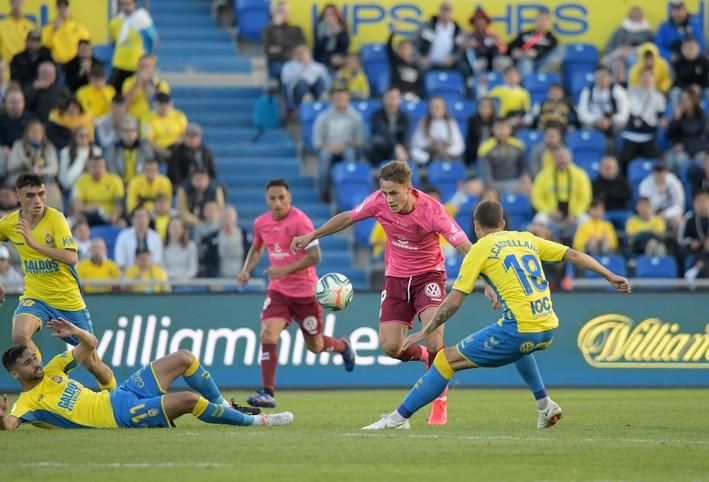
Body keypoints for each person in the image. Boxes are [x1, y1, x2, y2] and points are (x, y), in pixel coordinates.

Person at [361, 200, 630, 430]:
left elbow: (454, 301)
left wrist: (427, 329)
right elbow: (572, 253)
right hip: (548, 327)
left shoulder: (480, 248)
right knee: (521, 349)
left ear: (476, 226)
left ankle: (396, 419)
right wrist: (610, 275)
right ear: (502, 223)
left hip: (519, 329)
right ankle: (544, 404)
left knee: (444, 361)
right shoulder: (527, 238)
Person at [291, 161, 499, 425]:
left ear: (409, 189)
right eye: (385, 192)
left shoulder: (433, 211)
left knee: (435, 341)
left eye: (394, 193)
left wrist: (487, 281)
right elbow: (348, 217)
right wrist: (312, 235)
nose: (388, 199)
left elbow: (465, 246)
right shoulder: (377, 201)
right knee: (391, 347)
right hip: (396, 280)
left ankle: (440, 400)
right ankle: (428, 360)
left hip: (429, 278)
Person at [0, 319, 294, 430]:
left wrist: (76, 333)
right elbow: (11, 425)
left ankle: (225, 406)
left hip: (121, 394)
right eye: (28, 364)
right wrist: (1, 418)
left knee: (184, 357)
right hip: (121, 416)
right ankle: (258, 420)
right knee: (189, 400)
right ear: (15, 375)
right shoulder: (27, 404)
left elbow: (91, 346)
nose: (35, 364)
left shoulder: (52, 368)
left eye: (33, 357)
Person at [238, 179, 356, 408]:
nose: (277, 202)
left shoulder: (300, 221)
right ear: (267, 199)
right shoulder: (260, 223)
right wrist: (246, 270)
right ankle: (267, 392)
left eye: (282, 198)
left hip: (305, 294)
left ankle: (344, 346)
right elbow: (257, 248)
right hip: (279, 292)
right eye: (272, 198)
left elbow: (315, 257)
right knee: (267, 334)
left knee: (315, 346)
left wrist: (282, 270)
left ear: (289, 198)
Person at [0, 173, 116, 391]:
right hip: (36, 296)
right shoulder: (10, 223)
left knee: (92, 363)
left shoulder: (56, 218)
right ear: (18, 196)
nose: (37, 200)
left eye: (41, 194)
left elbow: (72, 257)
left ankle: (115, 394)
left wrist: (34, 244)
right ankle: (42, 382)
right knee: (19, 334)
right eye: (30, 195)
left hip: (67, 300)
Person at [312, 88, 364, 199]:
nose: (341, 101)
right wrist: (330, 147)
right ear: (332, 100)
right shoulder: (323, 117)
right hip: (328, 148)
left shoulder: (356, 117)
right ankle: (324, 193)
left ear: (348, 99)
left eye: (344, 99)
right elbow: (317, 142)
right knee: (324, 156)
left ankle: (349, 191)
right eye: (338, 99)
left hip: (347, 148)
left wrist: (346, 145)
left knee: (349, 154)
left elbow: (360, 140)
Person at [531, 147, 592, 239]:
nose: (562, 160)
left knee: (587, 221)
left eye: (564, 157)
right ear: (554, 159)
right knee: (539, 220)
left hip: (573, 213)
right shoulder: (544, 175)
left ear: (570, 158)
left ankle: (582, 249)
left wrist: (575, 214)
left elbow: (585, 198)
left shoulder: (580, 174)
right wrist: (549, 211)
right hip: (551, 212)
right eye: (559, 157)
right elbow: (536, 197)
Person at [6, 120, 62, 209]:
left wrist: (41, 171)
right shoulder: (18, 145)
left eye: (39, 131)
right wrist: (23, 164)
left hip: (43, 181)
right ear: (27, 133)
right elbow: (10, 167)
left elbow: (54, 168)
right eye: (33, 131)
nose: (36, 134)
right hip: (21, 181)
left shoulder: (49, 147)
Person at [619, 69, 667, 168]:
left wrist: (662, 120)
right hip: (631, 134)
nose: (646, 80)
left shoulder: (658, 97)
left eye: (649, 77)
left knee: (655, 162)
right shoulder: (631, 91)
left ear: (654, 79)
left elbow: (661, 115)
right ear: (640, 79)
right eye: (644, 77)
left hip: (648, 135)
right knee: (624, 160)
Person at [109, 0, 158, 91]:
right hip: (119, 64)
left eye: (129, 3)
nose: (126, 7)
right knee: (113, 93)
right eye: (123, 4)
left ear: (134, 4)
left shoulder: (142, 20)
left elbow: (154, 39)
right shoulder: (114, 23)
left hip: (136, 65)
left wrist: (151, 59)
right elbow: (115, 42)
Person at [71, 149, 125, 226]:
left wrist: (114, 216)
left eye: (100, 167)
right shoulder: (81, 181)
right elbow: (77, 206)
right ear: (88, 168)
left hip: (109, 215)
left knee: (122, 224)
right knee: (75, 220)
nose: (97, 170)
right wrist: (92, 208)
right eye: (94, 167)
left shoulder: (115, 180)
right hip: (88, 215)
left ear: (106, 167)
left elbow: (119, 204)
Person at [416, 1, 468, 79]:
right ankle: (420, 91)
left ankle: (465, 90)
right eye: (443, 9)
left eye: (448, 10)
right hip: (430, 63)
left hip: (450, 63)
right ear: (439, 11)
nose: (445, 13)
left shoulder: (458, 30)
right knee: (420, 68)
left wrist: (452, 59)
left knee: (464, 68)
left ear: (452, 12)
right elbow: (411, 43)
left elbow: (460, 51)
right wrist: (420, 58)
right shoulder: (428, 26)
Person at [476, 118, 528, 195]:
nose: (501, 131)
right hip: (494, 183)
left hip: (514, 182)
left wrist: (524, 177)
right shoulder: (485, 147)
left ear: (510, 129)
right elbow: (485, 171)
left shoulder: (518, 145)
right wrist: (491, 186)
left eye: (504, 127)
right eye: (498, 128)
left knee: (528, 185)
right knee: (478, 187)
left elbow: (524, 166)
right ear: (493, 130)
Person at [577, 65, 629, 136]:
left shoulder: (618, 91)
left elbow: (624, 114)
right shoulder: (587, 91)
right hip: (593, 123)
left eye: (604, 76)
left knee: (622, 125)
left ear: (610, 77)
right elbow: (582, 113)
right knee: (585, 125)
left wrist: (610, 121)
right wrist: (596, 121)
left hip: (612, 124)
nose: (601, 79)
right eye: (598, 76)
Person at [410, 97, 464, 165]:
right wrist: (430, 143)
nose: (437, 110)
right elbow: (415, 143)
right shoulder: (423, 122)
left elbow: (459, 144)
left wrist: (448, 151)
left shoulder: (451, 122)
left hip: (447, 154)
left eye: (440, 107)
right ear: (429, 109)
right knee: (414, 152)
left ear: (444, 108)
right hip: (429, 154)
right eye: (434, 107)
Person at [602, 6, 654, 75]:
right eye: (634, 15)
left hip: (637, 54)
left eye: (638, 15)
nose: (636, 16)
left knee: (631, 60)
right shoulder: (620, 30)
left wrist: (635, 51)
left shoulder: (647, 32)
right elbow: (609, 46)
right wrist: (620, 51)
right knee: (608, 62)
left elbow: (651, 48)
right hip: (619, 53)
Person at [507, 7, 560, 76]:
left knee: (561, 49)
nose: (541, 22)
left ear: (548, 22)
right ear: (535, 20)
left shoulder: (551, 38)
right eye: (539, 19)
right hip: (524, 61)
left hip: (542, 64)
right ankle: (529, 83)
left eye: (544, 20)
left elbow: (551, 54)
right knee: (526, 62)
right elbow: (509, 46)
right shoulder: (525, 34)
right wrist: (514, 51)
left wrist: (536, 52)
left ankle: (539, 77)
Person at [263, 1, 306, 82]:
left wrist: (280, 49)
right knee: (284, 71)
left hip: (296, 62)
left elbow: (302, 49)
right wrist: (277, 27)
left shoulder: (297, 30)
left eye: (284, 11)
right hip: (277, 63)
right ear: (274, 13)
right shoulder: (268, 30)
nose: (282, 14)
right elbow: (269, 52)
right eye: (280, 11)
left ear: (288, 12)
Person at [665, 87, 706, 170]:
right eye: (681, 100)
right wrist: (676, 120)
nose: (682, 103)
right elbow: (669, 135)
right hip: (681, 150)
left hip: (698, 149)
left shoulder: (702, 117)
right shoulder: (679, 117)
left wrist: (685, 146)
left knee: (687, 160)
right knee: (669, 158)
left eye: (685, 100)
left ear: (693, 101)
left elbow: (703, 139)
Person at [638, 161, 685, 232]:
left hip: (670, 214)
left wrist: (665, 214)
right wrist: (660, 194)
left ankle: (677, 242)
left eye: (662, 172)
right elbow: (645, 206)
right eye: (657, 172)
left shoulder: (674, 182)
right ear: (653, 173)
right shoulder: (645, 184)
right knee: (648, 220)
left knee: (677, 220)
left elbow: (679, 206)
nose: (660, 175)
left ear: (666, 172)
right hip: (652, 214)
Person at [203, 205, 248, 278]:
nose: (228, 219)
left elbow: (251, 256)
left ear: (235, 218)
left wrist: (246, 273)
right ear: (220, 218)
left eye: (230, 216)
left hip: (240, 278)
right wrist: (214, 279)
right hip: (220, 280)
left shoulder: (244, 235)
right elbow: (208, 260)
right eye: (225, 216)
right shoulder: (212, 237)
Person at [40, 0, 90, 67]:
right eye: (59, 7)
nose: (62, 10)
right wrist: (54, 30)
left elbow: (86, 45)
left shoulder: (79, 28)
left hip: (75, 64)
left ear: (69, 9)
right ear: (56, 10)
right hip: (57, 64)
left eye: (65, 7)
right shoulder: (49, 28)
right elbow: (45, 46)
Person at [166, 122, 217, 186]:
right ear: (184, 137)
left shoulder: (206, 151)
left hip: (203, 184)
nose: (192, 139)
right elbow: (174, 173)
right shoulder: (177, 151)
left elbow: (212, 172)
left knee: (220, 187)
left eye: (195, 136)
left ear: (200, 137)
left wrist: (205, 182)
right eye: (189, 136)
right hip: (183, 183)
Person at [369, 87, 410, 165]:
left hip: (399, 151)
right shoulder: (376, 115)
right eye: (390, 98)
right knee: (377, 141)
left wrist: (403, 149)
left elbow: (406, 135)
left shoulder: (404, 116)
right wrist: (396, 147)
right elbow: (383, 132)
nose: (393, 101)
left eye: (395, 98)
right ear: (384, 99)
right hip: (381, 152)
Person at [114, 206, 163, 270]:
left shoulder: (156, 237)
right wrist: (133, 273)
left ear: (148, 219)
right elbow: (120, 262)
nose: (141, 220)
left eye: (144, 217)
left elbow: (157, 261)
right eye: (138, 217)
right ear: (132, 220)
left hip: (151, 276)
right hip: (129, 275)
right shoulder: (123, 236)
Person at [121, 55, 169, 120]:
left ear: (153, 68)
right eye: (141, 66)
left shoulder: (162, 84)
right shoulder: (129, 82)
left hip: (154, 122)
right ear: (137, 68)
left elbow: (163, 104)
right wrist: (138, 84)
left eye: (146, 66)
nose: (143, 69)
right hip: (135, 120)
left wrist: (150, 84)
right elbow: (124, 103)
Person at [141, 92, 187, 159]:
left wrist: (178, 143)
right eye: (161, 107)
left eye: (166, 106)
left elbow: (184, 134)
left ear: (171, 105)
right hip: (157, 149)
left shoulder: (179, 115)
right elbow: (148, 139)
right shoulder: (147, 118)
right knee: (146, 148)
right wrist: (162, 151)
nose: (164, 109)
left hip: (176, 147)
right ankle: (151, 167)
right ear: (155, 105)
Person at [106, 117, 153, 184]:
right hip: (120, 184)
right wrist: (121, 182)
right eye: (126, 130)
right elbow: (112, 169)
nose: (129, 134)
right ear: (120, 133)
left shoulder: (145, 148)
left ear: (137, 132)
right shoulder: (113, 148)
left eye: (132, 130)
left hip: (140, 184)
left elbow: (150, 168)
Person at [465, 6, 507, 74]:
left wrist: (497, 44)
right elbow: (465, 50)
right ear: (473, 22)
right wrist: (469, 45)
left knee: (501, 62)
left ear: (486, 21)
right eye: (477, 20)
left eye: (481, 19)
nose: (479, 22)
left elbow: (503, 49)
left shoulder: (493, 35)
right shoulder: (469, 36)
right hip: (478, 60)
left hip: (494, 61)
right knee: (477, 65)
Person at [678, 189, 709, 280]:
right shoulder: (689, 217)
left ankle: (698, 269)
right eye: (698, 201)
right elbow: (681, 239)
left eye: (704, 201)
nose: (701, 205)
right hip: (695, 251)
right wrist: (691, 242)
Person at [386, 31, 423, 100]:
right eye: (402, 48)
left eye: (407, 48)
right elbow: (388, 48)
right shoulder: (396, 62)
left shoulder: (416, 67)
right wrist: (393, 33)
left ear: (411, 50)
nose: (404, 51)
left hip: (412, 96)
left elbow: (419, 85)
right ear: (398, 50)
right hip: (398, 96)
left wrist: (414, 94)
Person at [312, 4, 349, 72]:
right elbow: (317, 49)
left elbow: (344, 46)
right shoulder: (319, 28)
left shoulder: (342, 28)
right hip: (322, 61)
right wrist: (327, 36)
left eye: (332, 15)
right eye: (327, 15)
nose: (330, 18)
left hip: (338, 60)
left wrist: (338, 33)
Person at [671, 37, 709, 104]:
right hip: (683, 90)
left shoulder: (705, 62)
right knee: (674, 93)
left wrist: (699, 87)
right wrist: (688, 88)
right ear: (682, 49)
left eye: (691, 48)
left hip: (700, 90)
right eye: (686, 48)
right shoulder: (678, 63)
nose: (689, 51)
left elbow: (706, 80)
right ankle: (676, 113)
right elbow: (676, 82)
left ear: (698, 48)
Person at [0, 0, 36, 67]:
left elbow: (35, 48)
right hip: (7, 65)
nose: (17, 5)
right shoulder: (1, 25)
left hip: (26, 65)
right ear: (10, 3)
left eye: (19, 2)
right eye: (14, 1)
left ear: (23, 3)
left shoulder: (31, 26)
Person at [161, 217, 198, 281]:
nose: (176, 229)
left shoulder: (191, 246)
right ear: (168, 229)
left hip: (187, 281)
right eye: (173, 227)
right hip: (168, 280)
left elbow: (193, 269)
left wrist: (184, 278)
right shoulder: (162, 246)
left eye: (179, 227)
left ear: (183, 229)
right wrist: (173, 277)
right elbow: (162, 268)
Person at [58, 125, 92, 192]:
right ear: (75, 137)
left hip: (91, 188)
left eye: (87, 136)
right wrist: (80, 157)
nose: (84, 138)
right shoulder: (65, 152)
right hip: (71, 189)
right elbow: (65, 181)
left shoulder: (96, 151)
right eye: (81, 136)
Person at [0, 88, 33, 155]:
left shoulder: (31, 120)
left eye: (19, 101)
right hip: (6, 155)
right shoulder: (1, 120)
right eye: (12, 102)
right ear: (5, 103)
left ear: (24, 103)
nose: (16, 105)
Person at [464, 96, 496, 165]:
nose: (485, 109)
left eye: (488, 107)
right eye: (483, 106)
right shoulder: (472, 121)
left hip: (493, 154)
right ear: (478, 108)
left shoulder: (497, 121)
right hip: (475, 153)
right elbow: (469, 141)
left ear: (492, 109)